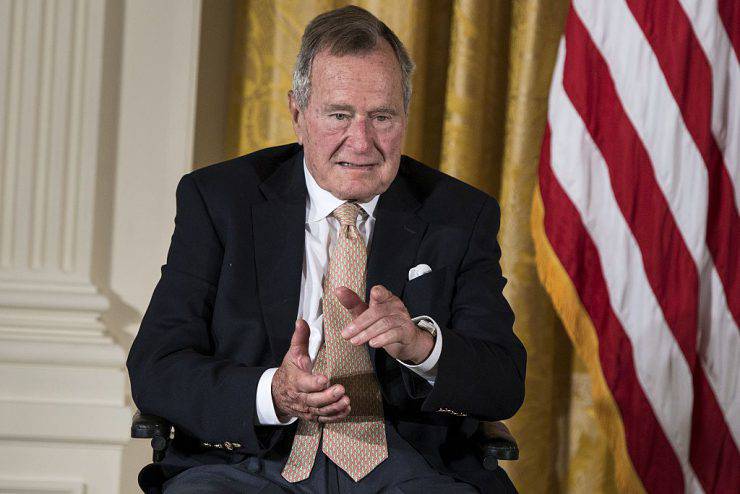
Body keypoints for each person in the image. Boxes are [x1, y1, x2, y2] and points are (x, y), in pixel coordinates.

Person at [127, 5, 526, 493]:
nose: (361, 142)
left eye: (382, 117)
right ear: (298, 114)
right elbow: (157, 366)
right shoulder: (220, 200)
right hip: (248, 464)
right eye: (339, 115)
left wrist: (423, 347)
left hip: (407, 466)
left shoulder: (459, 214)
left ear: (404, 116)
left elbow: (504, 381)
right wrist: (272, 393)